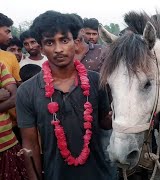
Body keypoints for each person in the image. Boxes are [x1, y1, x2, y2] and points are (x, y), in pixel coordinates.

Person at [16, 11, 114, 179]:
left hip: (100, 173)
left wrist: (125, 113)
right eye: (49, 42)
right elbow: (30, 144)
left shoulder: (96, 80)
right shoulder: (27, 91)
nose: (59, 49)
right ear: (41, 46)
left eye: (64, 40)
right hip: (56, 174)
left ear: (75, 43)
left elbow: (106, 123)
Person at [0, 12, 28, 180]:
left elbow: (15, 95)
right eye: (7, 31)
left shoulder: (5, 61)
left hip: (8, 136)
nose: (10, 36)